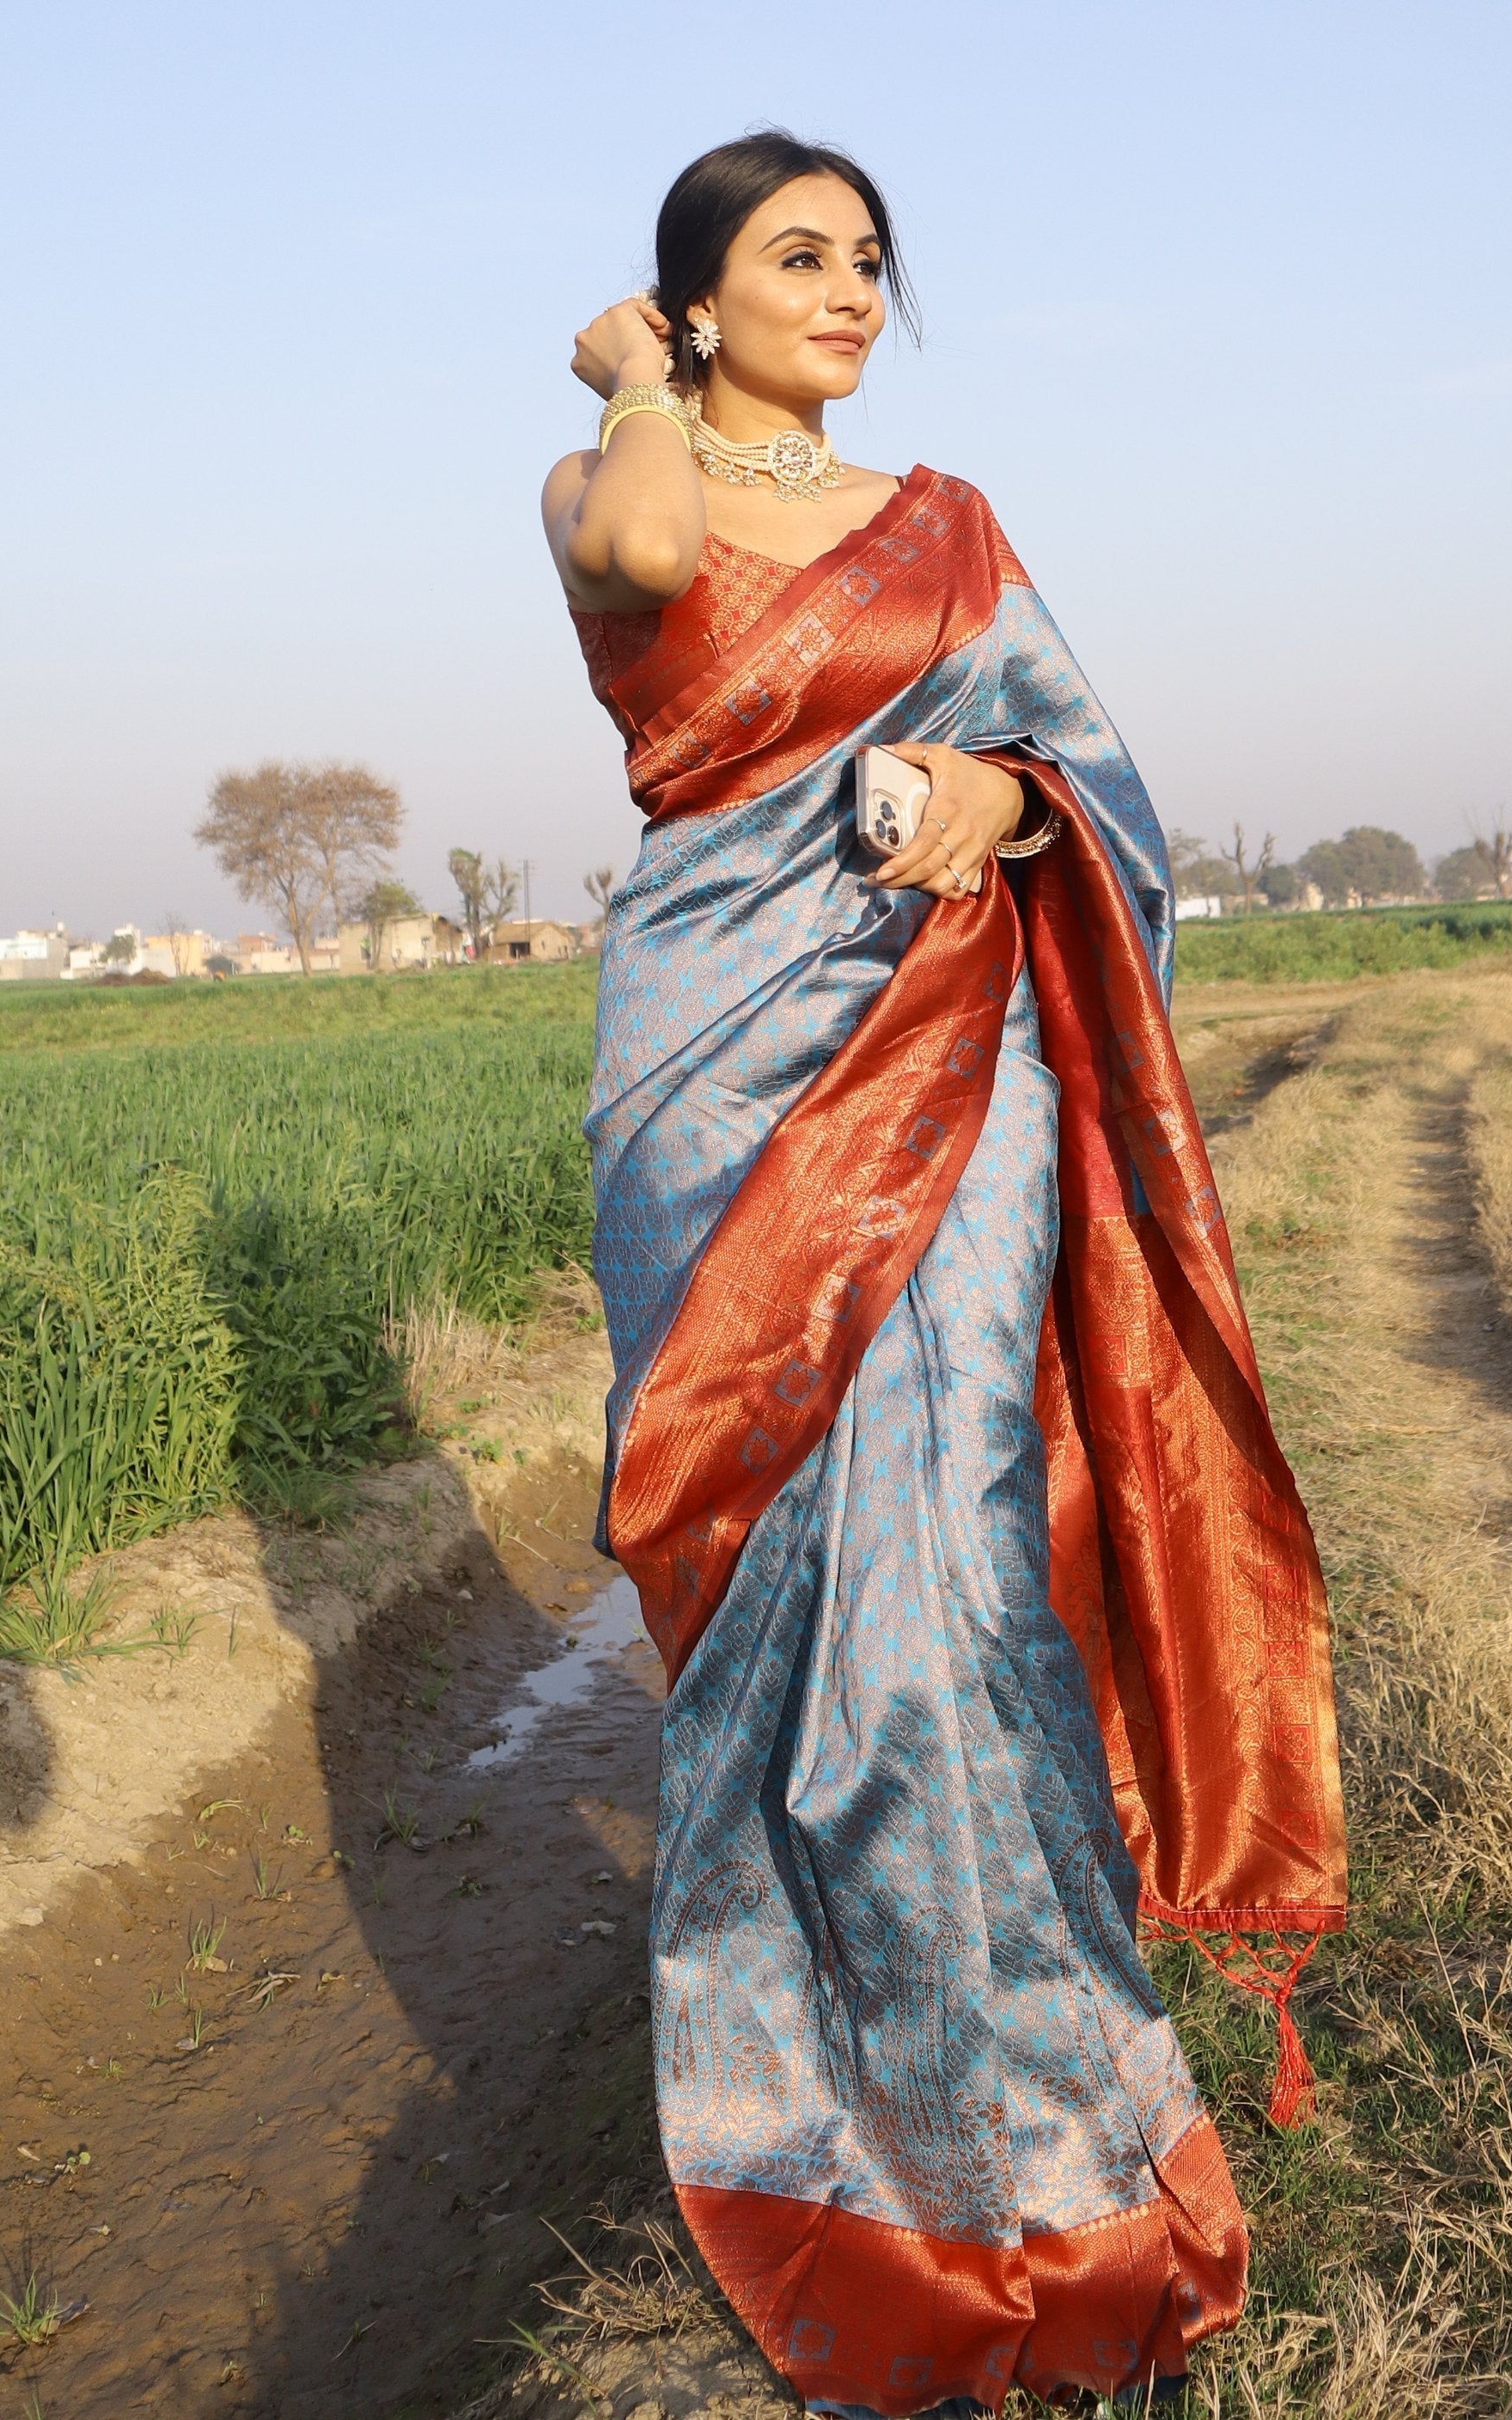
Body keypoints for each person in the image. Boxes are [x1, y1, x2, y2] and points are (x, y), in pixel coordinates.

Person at [542, 131, 1344, 2414]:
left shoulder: (954, 525)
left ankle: (1050, 2107)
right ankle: (833, 2117)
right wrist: (629, 380)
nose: (855, 288)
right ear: (691, 297)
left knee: (962, 1563)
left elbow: (1082, 768)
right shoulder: (609, 473)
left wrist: (1002, 807)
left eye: (875, 257)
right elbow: (639, 545)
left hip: (951, 1049)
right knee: (772, 1568)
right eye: (799, 256)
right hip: (712, 1084)